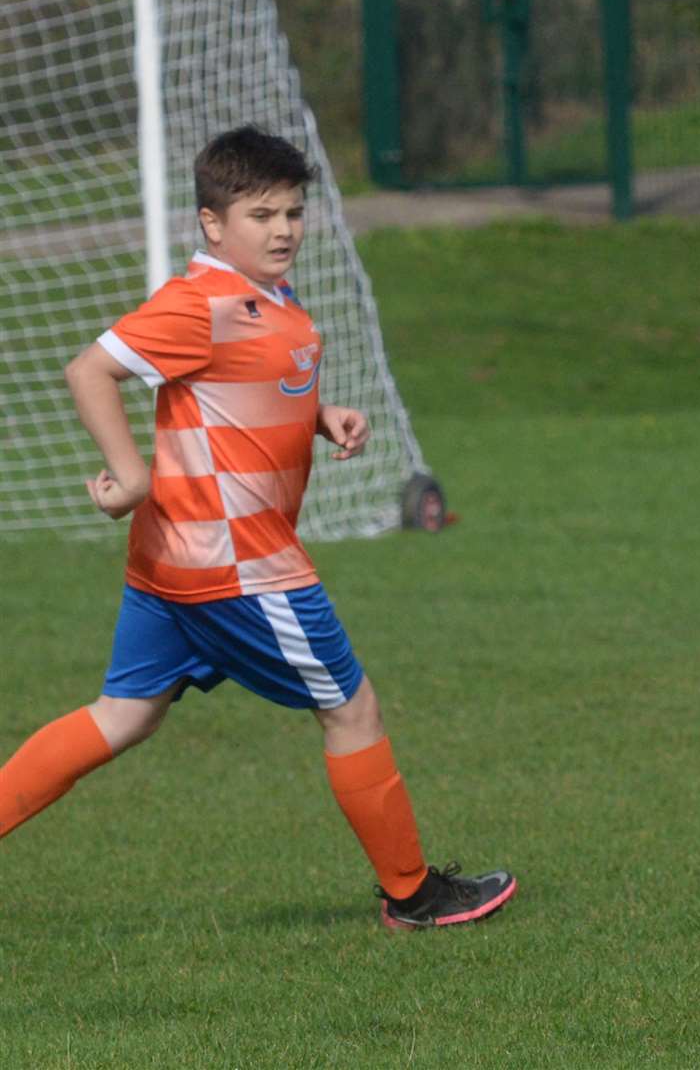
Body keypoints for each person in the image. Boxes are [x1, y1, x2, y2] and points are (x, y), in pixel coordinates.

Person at [0, 125, 515, 930]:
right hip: (239, 565)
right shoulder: (204, 302)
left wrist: (320, 417)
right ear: (213, 224)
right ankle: (413, 896)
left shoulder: (270, 296)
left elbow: (245, 389)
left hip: (172, 562)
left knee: (124, 713)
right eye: (261, 214)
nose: (282, 230)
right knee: (352, 710)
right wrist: (130, 476)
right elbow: (88, 368)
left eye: (293, 212)